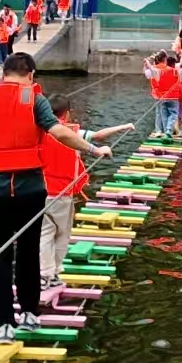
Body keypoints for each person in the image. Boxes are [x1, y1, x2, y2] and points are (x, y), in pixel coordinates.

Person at [0, 52, 114, 341]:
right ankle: (29, 313)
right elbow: (60, 133)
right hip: (29, 191)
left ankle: (4, 323)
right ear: (31, 74)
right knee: (28, 252)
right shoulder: (34, 100)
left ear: (3, 73)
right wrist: (94, 150)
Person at [39, 94, 133, 290]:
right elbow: (98, 136)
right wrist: (122, 127)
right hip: (61, 193)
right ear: (67, 113)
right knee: (62, 234)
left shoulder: (36, 132)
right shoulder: (72, 132)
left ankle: (43, 274)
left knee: (44, 234)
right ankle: (53, 274)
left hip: (38, 191)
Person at [145, 51, 182, 138]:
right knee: (170, 113)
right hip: (171, 95)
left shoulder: (154, 70)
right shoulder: (171, 69)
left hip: (158, 95)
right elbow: (181, 65)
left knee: (160, 114)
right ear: (165, 59)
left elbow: (147, 72)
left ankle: (159, 130)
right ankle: (167, 131)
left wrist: (147, 63)